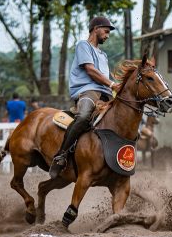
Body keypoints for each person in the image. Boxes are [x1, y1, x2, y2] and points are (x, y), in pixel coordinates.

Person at [49, 15, 119, 178]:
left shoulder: (103, 55)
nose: (107, 36)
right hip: (87, 91)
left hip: (105, 94)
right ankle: (61, 156)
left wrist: (118, 87)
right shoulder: (83, 45)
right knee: (83, 116)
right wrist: (112, 84)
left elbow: (106, 76)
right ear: (96, 29)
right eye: (106, 31)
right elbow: (90, 70)